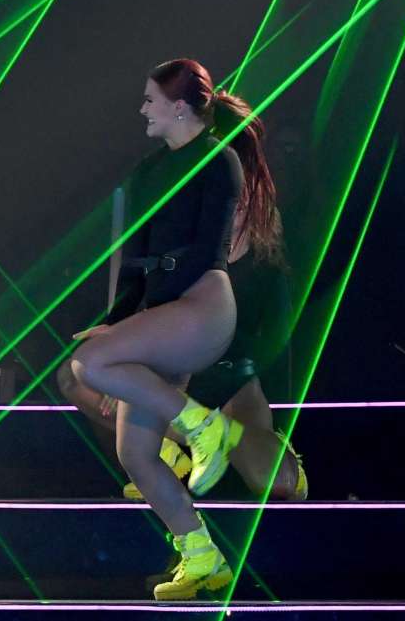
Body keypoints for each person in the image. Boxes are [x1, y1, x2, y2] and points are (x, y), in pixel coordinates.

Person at [68, 58, 279, 600]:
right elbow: (135, 258)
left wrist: (138, 326)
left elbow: (206, 253)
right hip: (161, 315)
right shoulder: (146, 172)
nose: (142, 109)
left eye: (150, 100)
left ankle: (203, 428)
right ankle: (202, 557)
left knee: (90, 366)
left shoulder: (218, 161)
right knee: (136, 454)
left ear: (180, 106)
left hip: (203, 307)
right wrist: (116, 323)